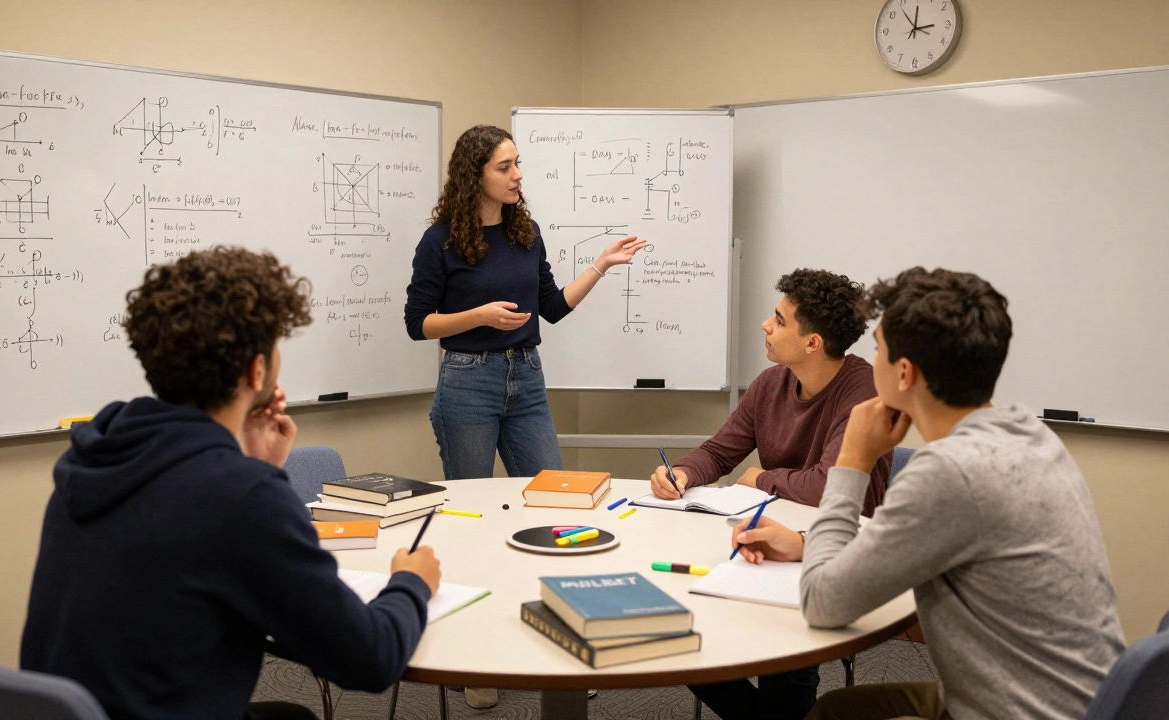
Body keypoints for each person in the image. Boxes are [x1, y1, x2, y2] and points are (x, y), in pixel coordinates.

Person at [20, 247, 443, 720]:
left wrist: (254, 465)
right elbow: (370, 659)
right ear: (256, 370)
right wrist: (411, 582)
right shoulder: (238, 497)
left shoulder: (99, 452)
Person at [733, 267, 1126, 720]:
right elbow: (923, 539)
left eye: (877, 349)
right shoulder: (1029, 436)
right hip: (1087, 701)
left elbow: (823, 605)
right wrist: (805, 544)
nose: (866, 362)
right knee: (839, 709)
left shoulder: (949, 474)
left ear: (904, 374)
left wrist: (854, 461)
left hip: (1018, 712)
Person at [649, 268, 891, 720]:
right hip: (770, 540)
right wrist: (680, 471)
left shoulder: (863, 391)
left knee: (784, 647)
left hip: (835, 547)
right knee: (676, 623)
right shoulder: (770, 383)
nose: (766, 325)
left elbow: (827, 489)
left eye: (779, 320)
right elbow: (720, 452)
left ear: (812, 343)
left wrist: (760, 478)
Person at [405, 124, 646, 483]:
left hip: (527, 377)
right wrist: (479, 317)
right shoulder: (440, 240)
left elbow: (551, 307)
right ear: (474, 176)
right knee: (473, 501)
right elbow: (417, 324)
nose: (517, 175)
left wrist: (602, 264)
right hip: (469, 382)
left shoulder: (526, 232)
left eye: (517, 164)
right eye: (504, 167)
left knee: (552, 492)